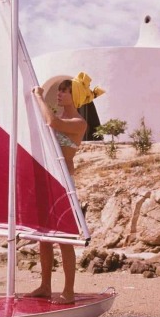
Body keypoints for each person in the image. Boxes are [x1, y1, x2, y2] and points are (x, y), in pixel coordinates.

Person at [26, 72, 104, 304]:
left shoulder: (79, 123)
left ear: (75, 95)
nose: (59, 94)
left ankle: (68, 291)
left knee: (65, 238)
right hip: (47, 180)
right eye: (59, 90)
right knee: (44, 237)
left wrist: (40, 97)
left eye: (64, 90)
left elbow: (53, 123)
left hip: (64, 183)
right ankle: (45, 286)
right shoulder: (55, 115)